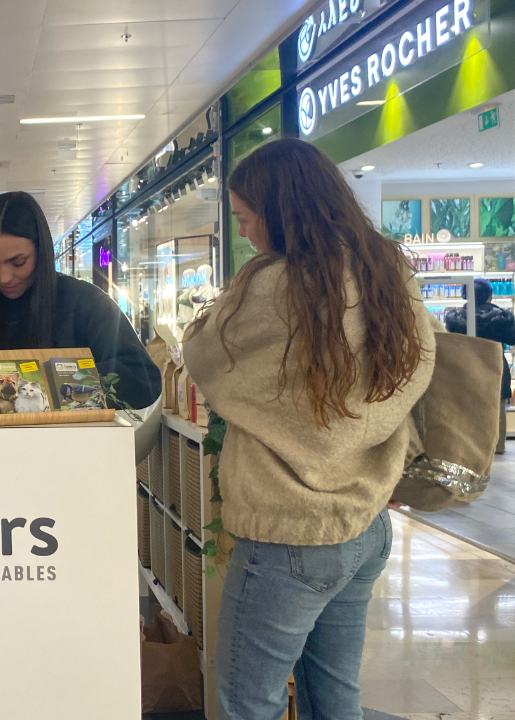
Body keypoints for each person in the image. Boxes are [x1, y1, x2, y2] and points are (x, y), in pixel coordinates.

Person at [181, 138, 435, 720]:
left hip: (287, 530)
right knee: (335, 693)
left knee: (249, 699)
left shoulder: (270, 287)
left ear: (279, 211)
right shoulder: (385, 271)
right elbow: (419, 367)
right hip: (365, 520)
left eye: (247, 219)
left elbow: (203, 357)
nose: (246, 234)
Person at [0, 191, 160, 409]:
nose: (5, 277)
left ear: (42, 251)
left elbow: (142, 380)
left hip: (70, 442)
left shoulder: (86, 302)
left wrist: (53, 388)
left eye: (19, 262)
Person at [444, 278, 515, 453]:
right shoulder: (502, 317)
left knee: (466, 404)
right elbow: (513, 339)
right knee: (497, 406)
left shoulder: (455, 318)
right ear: (490, 296)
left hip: (465, 362)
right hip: (494, 362)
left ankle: (470, 446)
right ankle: (497, 446)